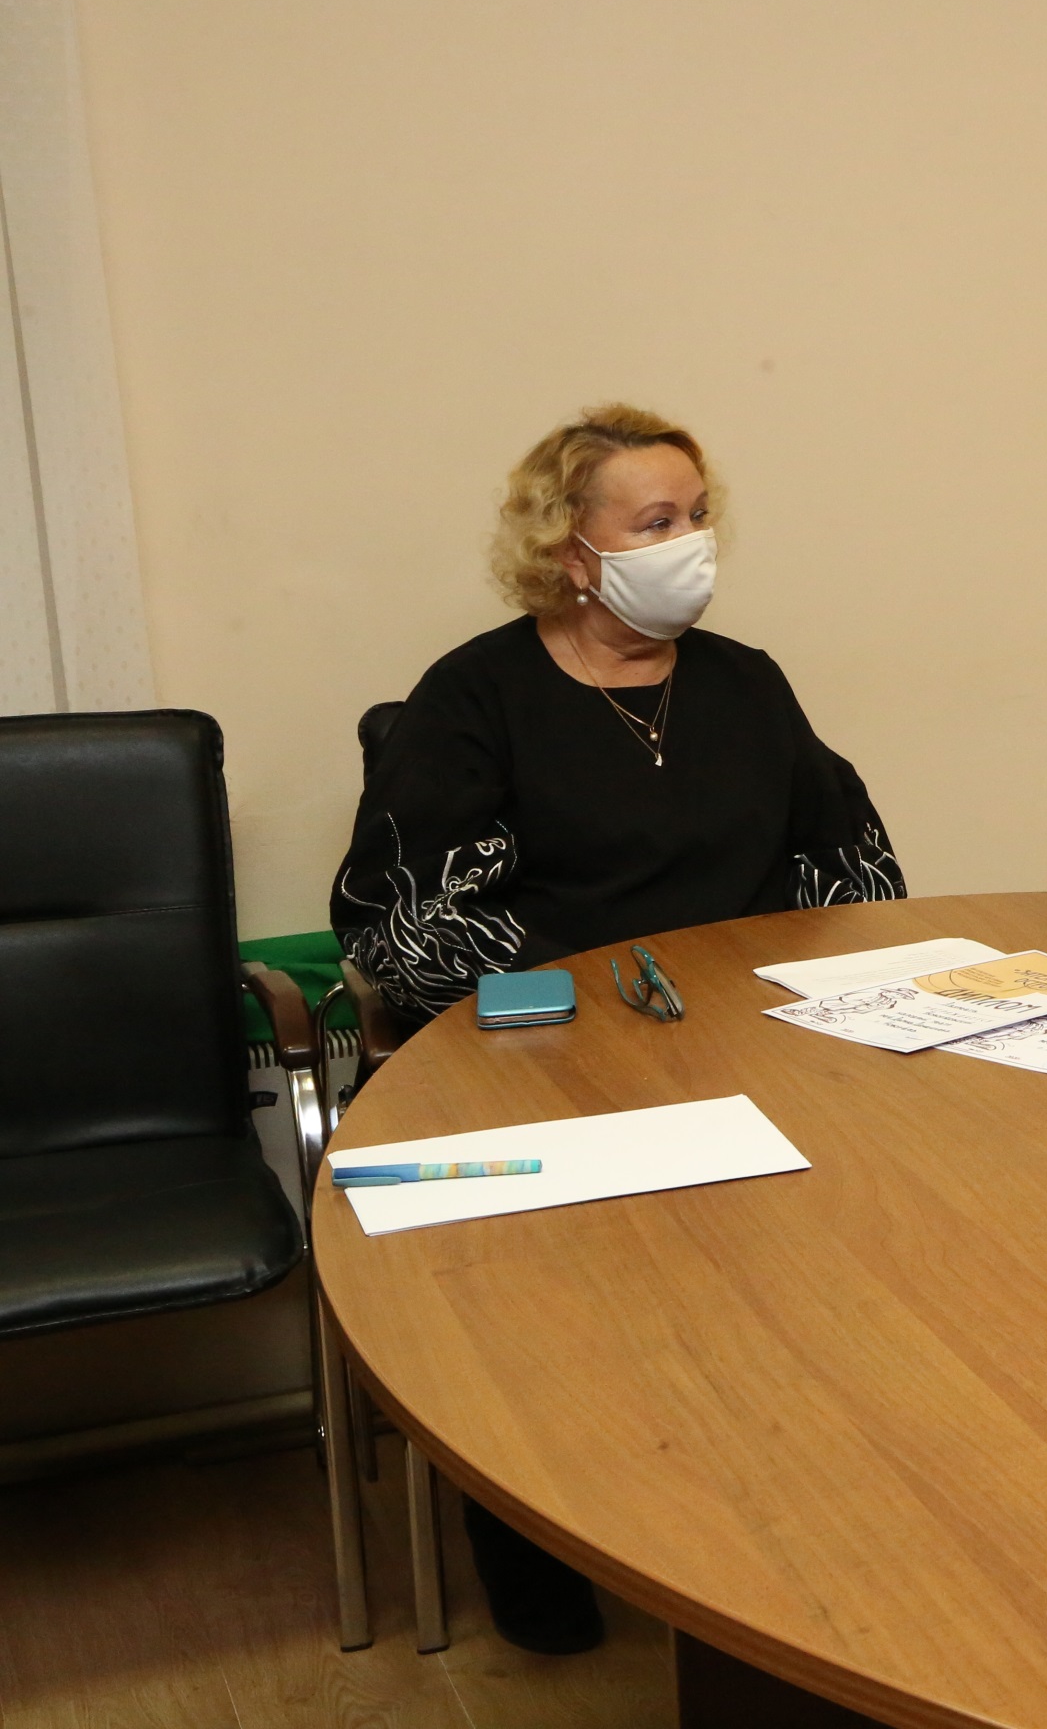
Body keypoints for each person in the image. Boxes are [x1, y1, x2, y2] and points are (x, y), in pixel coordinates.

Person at [331, 403, 905, 1653]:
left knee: (859, 1241)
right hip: (546, 1056)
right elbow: (400, 920)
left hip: (750, 1044)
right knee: (560, 1318)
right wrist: (585, 1006)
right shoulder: (475, 697)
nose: (690, 543)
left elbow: (854, 864)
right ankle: (546, 1538)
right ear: (571, 548)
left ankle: (782, 1527)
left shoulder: (746, 683)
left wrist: (796, 997)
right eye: (655, 522)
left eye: (697, 516)